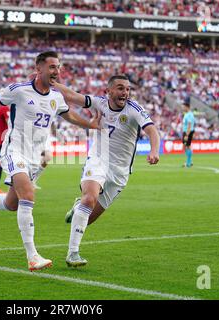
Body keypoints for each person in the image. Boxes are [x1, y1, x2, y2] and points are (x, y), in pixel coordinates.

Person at [0, 51, 101, 272]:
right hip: (14, 149)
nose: (57, 71)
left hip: (35, 156)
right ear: (39, 68)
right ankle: (32, 256)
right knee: (28, 195)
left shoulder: (56, 97)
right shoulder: (19, 90)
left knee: (11, 203)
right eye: (52, 67)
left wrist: (89, 125)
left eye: (59, 67)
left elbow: (69, 115)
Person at [53, 75, 160, 267]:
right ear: (108, 91)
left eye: (127, 89)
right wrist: (52, 83)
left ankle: (78, 207)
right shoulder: (99, 103)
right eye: (120, 88)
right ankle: (73, 254)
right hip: (98, 160)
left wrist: (154, 150)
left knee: (89, 217)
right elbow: (72, 95)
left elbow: (152, 130)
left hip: (120, 172)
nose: (125, 93)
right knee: (89, 199)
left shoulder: (134, 109)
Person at [182, 99, 195, 168]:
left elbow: (189, 125)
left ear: (187, 107)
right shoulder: (186, 114)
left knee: (187, 146)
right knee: (186, 146)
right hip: (186, 132)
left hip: (188, 132)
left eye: (183, 107)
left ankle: (188, 163)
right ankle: (190, 161)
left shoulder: (189, 114)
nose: (183, 108)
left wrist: (187, 134)